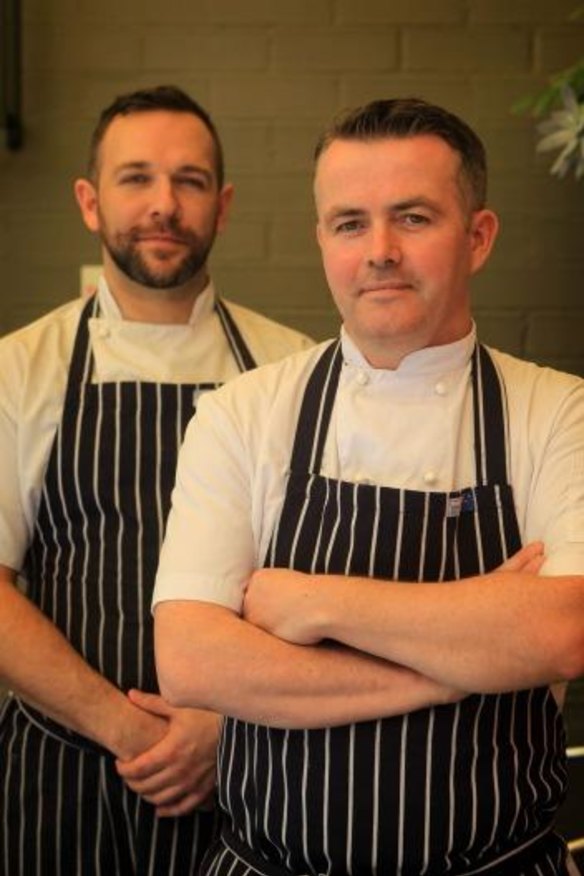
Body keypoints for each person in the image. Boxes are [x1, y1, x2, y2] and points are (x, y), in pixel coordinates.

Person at [153, 98, 584, 876]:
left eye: (413, 218)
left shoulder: (558, 411)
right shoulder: (243, 413)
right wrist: (464, 660)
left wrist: (313, 603)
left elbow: (565, 630)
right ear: (322, 240)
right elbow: (192, 661)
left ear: (478, 237)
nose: (379, 250)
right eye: (350, 223)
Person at [0, 84, 312, 876]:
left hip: (250, 779)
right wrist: (130, 731)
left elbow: (320, 586)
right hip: (58, 781)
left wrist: (226, 730)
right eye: (135, 177)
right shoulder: (19, 369)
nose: (163, 204)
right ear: (89, 201)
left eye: (190, 180)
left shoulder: (294, 370)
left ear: (224, 204)